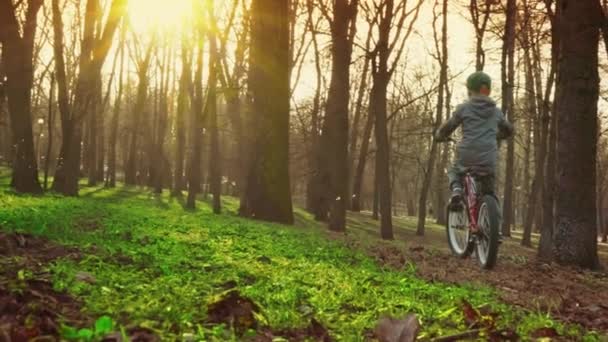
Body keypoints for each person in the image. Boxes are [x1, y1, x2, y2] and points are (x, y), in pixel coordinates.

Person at [435, 71, 514, 209]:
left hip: (467, 156)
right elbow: (509, 130)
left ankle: (457, 189)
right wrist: (497, 135)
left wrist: (439, 136)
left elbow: (447, 127)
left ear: (470, 90)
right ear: (488, 91)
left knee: (453, 169)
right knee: (489, 191)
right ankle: (493, 219)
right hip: (488, 157)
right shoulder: (496, 112)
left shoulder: (464, 108)